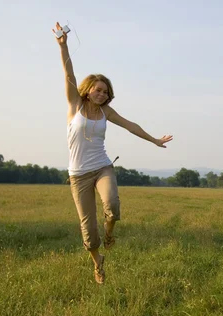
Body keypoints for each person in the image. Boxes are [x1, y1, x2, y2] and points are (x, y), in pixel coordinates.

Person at [53, 22, 173, 284]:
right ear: (88, 90)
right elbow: (68, 74)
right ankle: (98, 262)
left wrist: (153, 139)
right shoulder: (75, 104)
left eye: (105, 92)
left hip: (103, 167)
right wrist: (64, 46)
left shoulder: (106, 112)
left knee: (112, 206)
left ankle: (110, 232)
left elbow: (130, 126)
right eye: (98, 89)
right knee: (88, 228)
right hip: (79, 175)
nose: (101, 94)